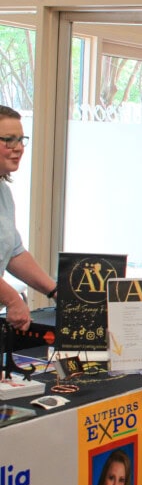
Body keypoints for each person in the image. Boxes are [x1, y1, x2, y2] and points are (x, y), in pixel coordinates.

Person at [0, 105, 58, 332]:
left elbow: (14, 251)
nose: (19, 148)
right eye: (9, 140)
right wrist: (13, 299)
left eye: (21, 139)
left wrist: (55, 291)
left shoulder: (3, 191)